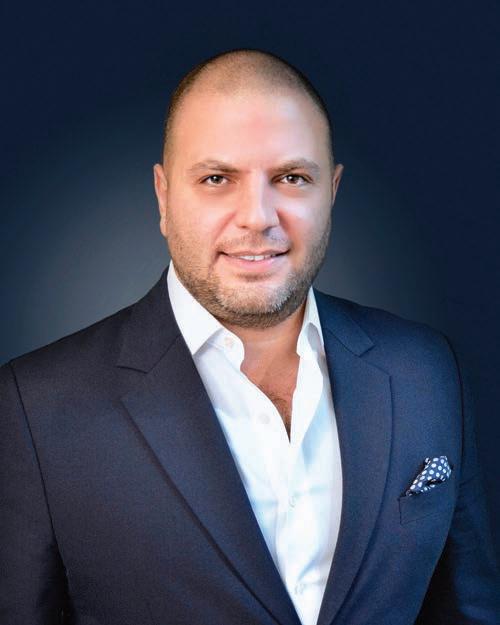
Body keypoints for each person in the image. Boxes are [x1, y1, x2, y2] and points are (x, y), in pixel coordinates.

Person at [1, 48, 499, 625]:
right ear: (164, 197)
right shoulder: (35, 408)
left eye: (291, 178)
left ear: (332, 192)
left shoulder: (426, 370)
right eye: (216, 179)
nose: (257, 217)